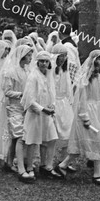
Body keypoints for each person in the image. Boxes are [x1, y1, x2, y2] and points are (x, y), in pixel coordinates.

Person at [57, 50, 100, 186]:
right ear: (93, 61)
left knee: (86, 143)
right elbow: (82, 100)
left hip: (96, 111)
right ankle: (97, 174)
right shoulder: (86, 79)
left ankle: (63, 165)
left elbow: (99, 97)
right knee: (97, 140)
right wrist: (85, 117)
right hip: (86, 112)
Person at [0, 45, 34, 182]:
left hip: (26, 107)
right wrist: (22, 94)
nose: (31, 58)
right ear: (22, 56)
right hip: (14, 106)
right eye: (29, 55)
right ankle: (21, 169)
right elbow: (7, 91)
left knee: (15, 136)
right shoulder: (10, 72)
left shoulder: (28, 71)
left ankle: (8, 162)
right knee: (19, 136)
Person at [21, 51, 61, 180]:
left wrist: (52, 105)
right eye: (42, 61)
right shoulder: (33, 77)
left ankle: (46, 165)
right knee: (32, 141)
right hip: (35, 114)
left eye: (46, 61)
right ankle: (29, 167)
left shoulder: (49, 75)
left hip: (47, 114)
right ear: (37, 62)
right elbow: (29, 99)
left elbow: (52, 92)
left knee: (51, 138)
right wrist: (42, 109)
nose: (44, 64)